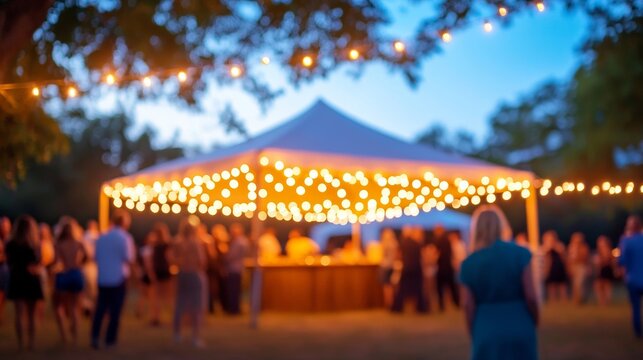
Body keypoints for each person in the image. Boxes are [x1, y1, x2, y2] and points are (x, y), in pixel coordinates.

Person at [460, 205, 539, 360]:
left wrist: (474, 330)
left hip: (486, 327)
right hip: (519, 322)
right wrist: (534, 320)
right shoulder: (520, 254)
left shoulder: (469, 263)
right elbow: (530, 295)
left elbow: (468, 305)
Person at [91, 209, 135, 349]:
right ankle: (110, 340)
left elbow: (96, 257)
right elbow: (129, 258)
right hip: (118, 278)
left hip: (103, 277)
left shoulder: (102, 237)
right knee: (115, 311)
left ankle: (95, 336)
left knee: (100, 309)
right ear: (124, 223)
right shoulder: (125, 238)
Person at [5, 215, 44, 350]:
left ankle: (21, 343)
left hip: (17, 278)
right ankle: (31, 343)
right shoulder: (35, 244)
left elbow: (9, 263)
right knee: (32, 314)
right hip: (32, 279)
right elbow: (39, 262)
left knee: (19, 313)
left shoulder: (10, 244)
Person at [172, 216, 208, 347]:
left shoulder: (177, 242)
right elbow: (201, 260)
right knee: (197, 307)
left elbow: (172, 258)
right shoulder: (195, 243)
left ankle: (177, 334)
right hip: (194, 274)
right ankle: (195, 337)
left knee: (179, 304)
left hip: (182, 274)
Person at [51, 217, 87, 344]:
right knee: (74, 307)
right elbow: (86, 257)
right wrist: (78, 264)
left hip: (64, 275)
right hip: (76, 274)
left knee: (58, 307)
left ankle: (64, 335)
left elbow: (55, 262)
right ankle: (75, 336)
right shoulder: (79, 243)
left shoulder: (58, 244)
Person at [392, 225, 427, 313]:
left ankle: (397, 308)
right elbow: (421, 256)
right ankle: (421, 308)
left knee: (402, 289)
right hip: (416, 268)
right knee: (418, 289)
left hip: (406, 268)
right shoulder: (417, 243)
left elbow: (398, 255)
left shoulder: (403, 243)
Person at [619, 215, 643, 338]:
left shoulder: (626, 241)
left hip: (633, 279)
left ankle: (638, 331)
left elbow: (622, 261)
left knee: (636, 307)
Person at [150, 222, 173, 325]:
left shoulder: (155, 245)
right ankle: (172, 317)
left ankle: (156, 317)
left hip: (158, 271)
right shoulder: (167, 244)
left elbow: (152, 260)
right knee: (168, 296)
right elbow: (169, 257)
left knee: (157, 296)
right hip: (165, 270)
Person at [225, 223, 249, 314]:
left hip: (234, 269)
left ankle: (234, 309)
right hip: (237, 268)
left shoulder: (239, 242)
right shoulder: (242, 241)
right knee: (235, 290)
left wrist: (225, 257)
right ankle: (235, 308)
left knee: (233, 290)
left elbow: (232, 256)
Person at [434, 225, 459, 311]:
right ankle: (457, 303)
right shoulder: (448, 240)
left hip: (442, 267)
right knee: (452, 287)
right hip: (448, 266)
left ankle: (441, 305)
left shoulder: (439, 240)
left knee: (440, 288)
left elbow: (437, 253)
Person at [208, 224, 229, 313]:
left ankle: (223, 307)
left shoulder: (223, 243)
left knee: (222, 289)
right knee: (213, 289)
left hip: (219, 269)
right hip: (214, 270)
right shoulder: (213, 243)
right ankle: (212, 307)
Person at [542, 230, 568, 303]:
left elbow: (563, 255)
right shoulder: (545, 247)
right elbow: (544, 254)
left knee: (562, 285)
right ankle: (553, 300)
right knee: (551, 285)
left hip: (559, 267)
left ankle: (563, 300)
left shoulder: (559, 245)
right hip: (550, 268)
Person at [81, 220, 100, 315]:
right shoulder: (93, 236)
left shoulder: (85, 236)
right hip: (92, 264)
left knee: (87, 287)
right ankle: (91, 307)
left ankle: (88, 306)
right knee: (92, 287)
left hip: (88, 265)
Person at [593, 236, 617, 306]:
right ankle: (602, 301)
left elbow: (609, 261)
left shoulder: (607, 250)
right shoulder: (599, 251)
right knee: (598, 285)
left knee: (606, 286)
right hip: (601, 270)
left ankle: (606, 301)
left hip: (606, 269)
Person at [568, 232, 591, 305]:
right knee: (575, 284)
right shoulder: (571, 247)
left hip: (581, 266)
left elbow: (585, 257)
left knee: (580, 283)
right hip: (574, 266)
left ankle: (581, 299)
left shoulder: (584, 247)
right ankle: (576, 299)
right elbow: (569, 258)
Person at [378, 228, 398, 308]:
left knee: (386, 286)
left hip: (385, 266)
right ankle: (392, 302)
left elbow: (382, 256)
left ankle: (388, 303)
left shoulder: (385, 244)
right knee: (391, 286)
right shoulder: (394, 243)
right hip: (392, 266)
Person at [0, 216, 11, 326]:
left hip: (6, 269)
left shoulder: (9, 239)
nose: (5, 227)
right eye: (3, 225)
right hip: (1, 268)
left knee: (4, 294)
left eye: (7, 226)